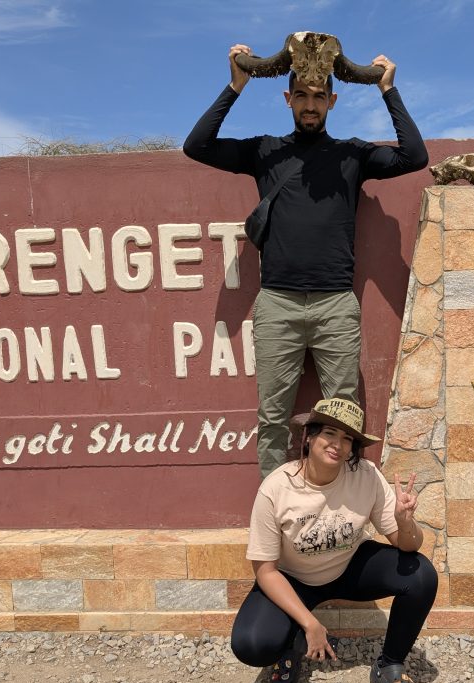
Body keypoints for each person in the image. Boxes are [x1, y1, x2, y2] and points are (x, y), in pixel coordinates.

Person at [183, 44, 429, 478]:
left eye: (319, 97)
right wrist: (236, 85)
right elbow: (197, 145)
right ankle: (274, 513)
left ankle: (341, 512)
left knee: (343, 418)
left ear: (332, 101)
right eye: (302, 96)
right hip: (278, 302)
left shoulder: (352, 154)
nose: (310, 105)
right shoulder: (266, 152)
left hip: (336, 305)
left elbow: (415, 156)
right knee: (272, 418)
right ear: (288, 100)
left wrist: (388, 90)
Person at [230, 397, 438, 683]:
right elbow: (266, 571)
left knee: (420, 574)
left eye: (347, 439)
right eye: (329, 433)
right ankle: (291, 644)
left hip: (347, 568)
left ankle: (389, 664)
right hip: (293, 578)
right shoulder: (276, 489)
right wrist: (310, 625)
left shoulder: (365, 476)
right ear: (309, 436)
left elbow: (408, 545)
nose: (338, 444)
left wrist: (404, 522)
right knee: (252, 645)